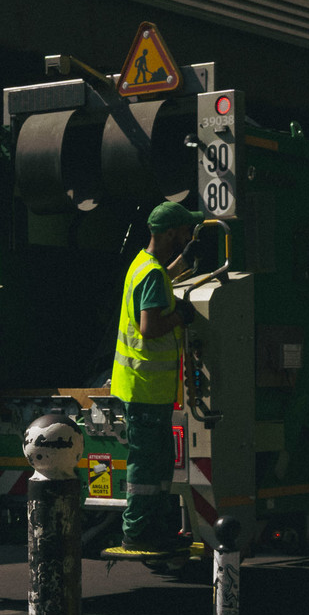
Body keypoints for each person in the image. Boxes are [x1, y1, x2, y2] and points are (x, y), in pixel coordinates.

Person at [111, 201, 201, 552]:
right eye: (184, 232)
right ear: (169, 233)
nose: (188, 235)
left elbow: (160, 285)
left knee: (158, 462)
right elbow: (150, 327)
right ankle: (137, 531)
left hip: (144, 388)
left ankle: (154, 528)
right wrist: (181, 317)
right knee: (147, 466)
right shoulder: (151, 274)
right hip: (146, 389)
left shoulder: (144, 265)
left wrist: (186, 262)